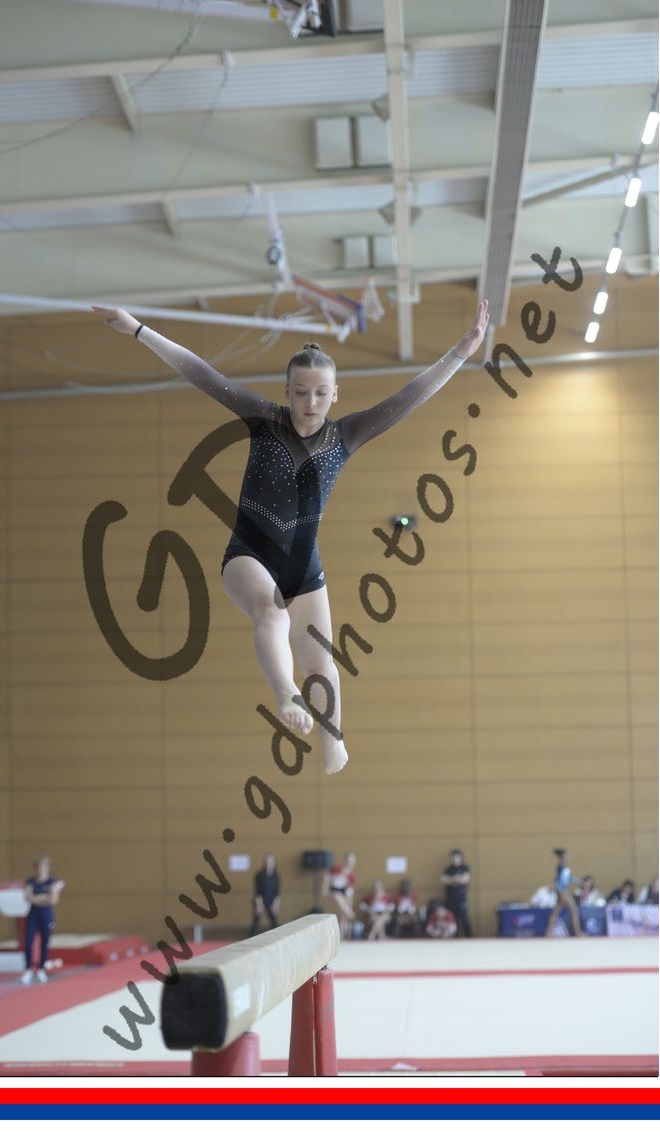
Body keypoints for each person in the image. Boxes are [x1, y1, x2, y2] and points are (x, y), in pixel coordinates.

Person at [93, 300, 490, 775]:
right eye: (300, 392)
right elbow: (201, 372)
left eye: (320, 393)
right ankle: (286, 694)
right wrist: (138, 329)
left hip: (304, 565)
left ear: (335, 394)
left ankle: (333, 741)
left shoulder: (346, 436)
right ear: (287, 391)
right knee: (271, 612)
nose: (310, 403)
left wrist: (461, 352)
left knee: (322, 665)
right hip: (248, 553)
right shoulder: (265, 420)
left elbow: (409, 396)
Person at [22, 855, 65, 984]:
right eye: (39, 867)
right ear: (35, 868)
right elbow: (28, 897)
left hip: (46, 914)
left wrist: (38, 899)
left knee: (44, 942)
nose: (41, 869)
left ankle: (41, 969)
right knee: (28, 942)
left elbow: (53, 900)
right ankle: (28, 969)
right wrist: (43, 899)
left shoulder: (51, 882)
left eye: (44, 866)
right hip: (33, 914)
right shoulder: (31, 881)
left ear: (47, 868)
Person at [544, 848, 582, 937]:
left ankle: (548, 933)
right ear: (563, 856)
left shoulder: (564, 866)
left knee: (556, 912)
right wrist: (560, 891)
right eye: (567, 855)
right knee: (574, 910)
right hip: (563, 891)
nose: (569, 856)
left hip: (563, 891)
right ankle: (578, 933)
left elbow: (568, 878)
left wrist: (578, 881)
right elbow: (558, 880)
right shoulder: (561, 866)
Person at [324, 851, 357, 939]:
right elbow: (326, 878)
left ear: (354, 862)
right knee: (337, 895)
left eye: (352, 861)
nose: (350, 863)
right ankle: (347, 910)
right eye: (348, 860)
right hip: (333, 891)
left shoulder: (352, 876)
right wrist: (325, 891)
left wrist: (349, 906)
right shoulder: (336, 868)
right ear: (344, 860)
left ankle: (341, 936)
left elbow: (350, 893)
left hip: (343, 893)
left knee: (343, 915)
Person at [441, 849, 473, 937]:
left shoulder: (465, 868)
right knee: (452, 919)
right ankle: (456, 937)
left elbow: (465, 879)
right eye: (453, 857)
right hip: (450, 898)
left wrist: (452, 879)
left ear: (461, 857)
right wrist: (456, 879)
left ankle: (470, 937)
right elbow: (444, 880)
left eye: (456, 857)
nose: (455, 859)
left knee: (464, 918)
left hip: (461, 898)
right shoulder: (448, 869)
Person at [249, 852, 281, 936]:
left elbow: (277, 892)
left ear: (274, 863)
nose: (268, 864)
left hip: (271, 901)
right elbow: (257, 891)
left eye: (270, 862)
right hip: (260, 900)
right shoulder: (259, 875)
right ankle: (252, 937)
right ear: (264, 863)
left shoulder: (276, 875)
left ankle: (276, 938)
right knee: (256, 922)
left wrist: (276, 905)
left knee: (274, 923)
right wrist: (259, 904)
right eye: (267, 862)